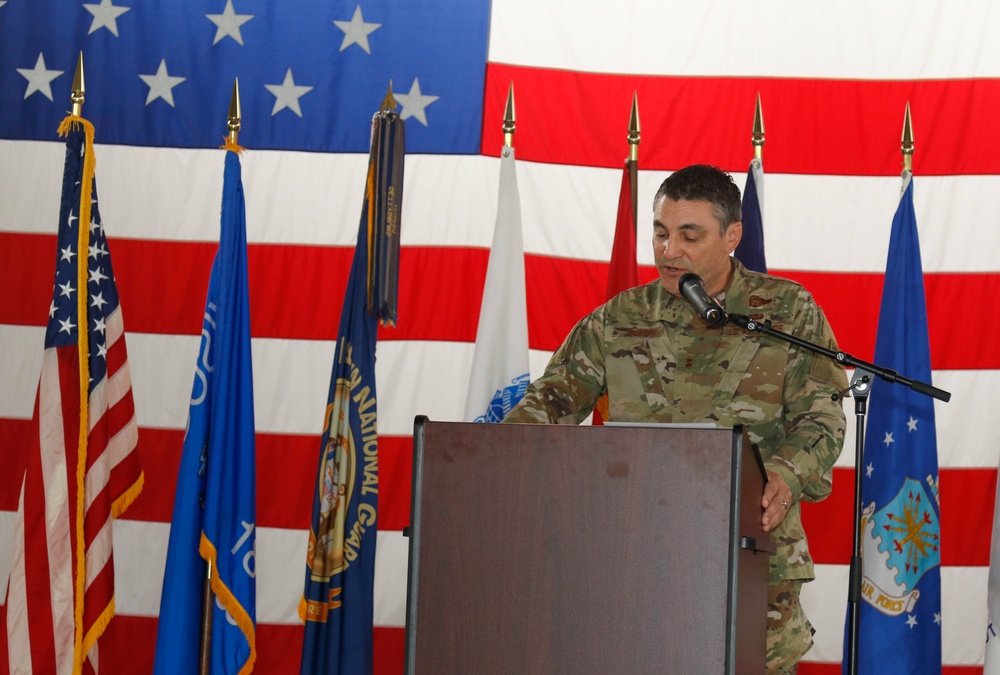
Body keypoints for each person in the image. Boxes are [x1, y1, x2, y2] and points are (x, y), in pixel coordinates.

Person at [503, 164, 848, 673]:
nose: (669, 251)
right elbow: (549, 403)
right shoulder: (619, 318)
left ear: (732, 236)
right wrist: (492, 460)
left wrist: (785, 474)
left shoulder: (787, 312)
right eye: (661, 233)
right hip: (628, 560)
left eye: (690, 235)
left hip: (749, 558)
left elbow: (822, 416)